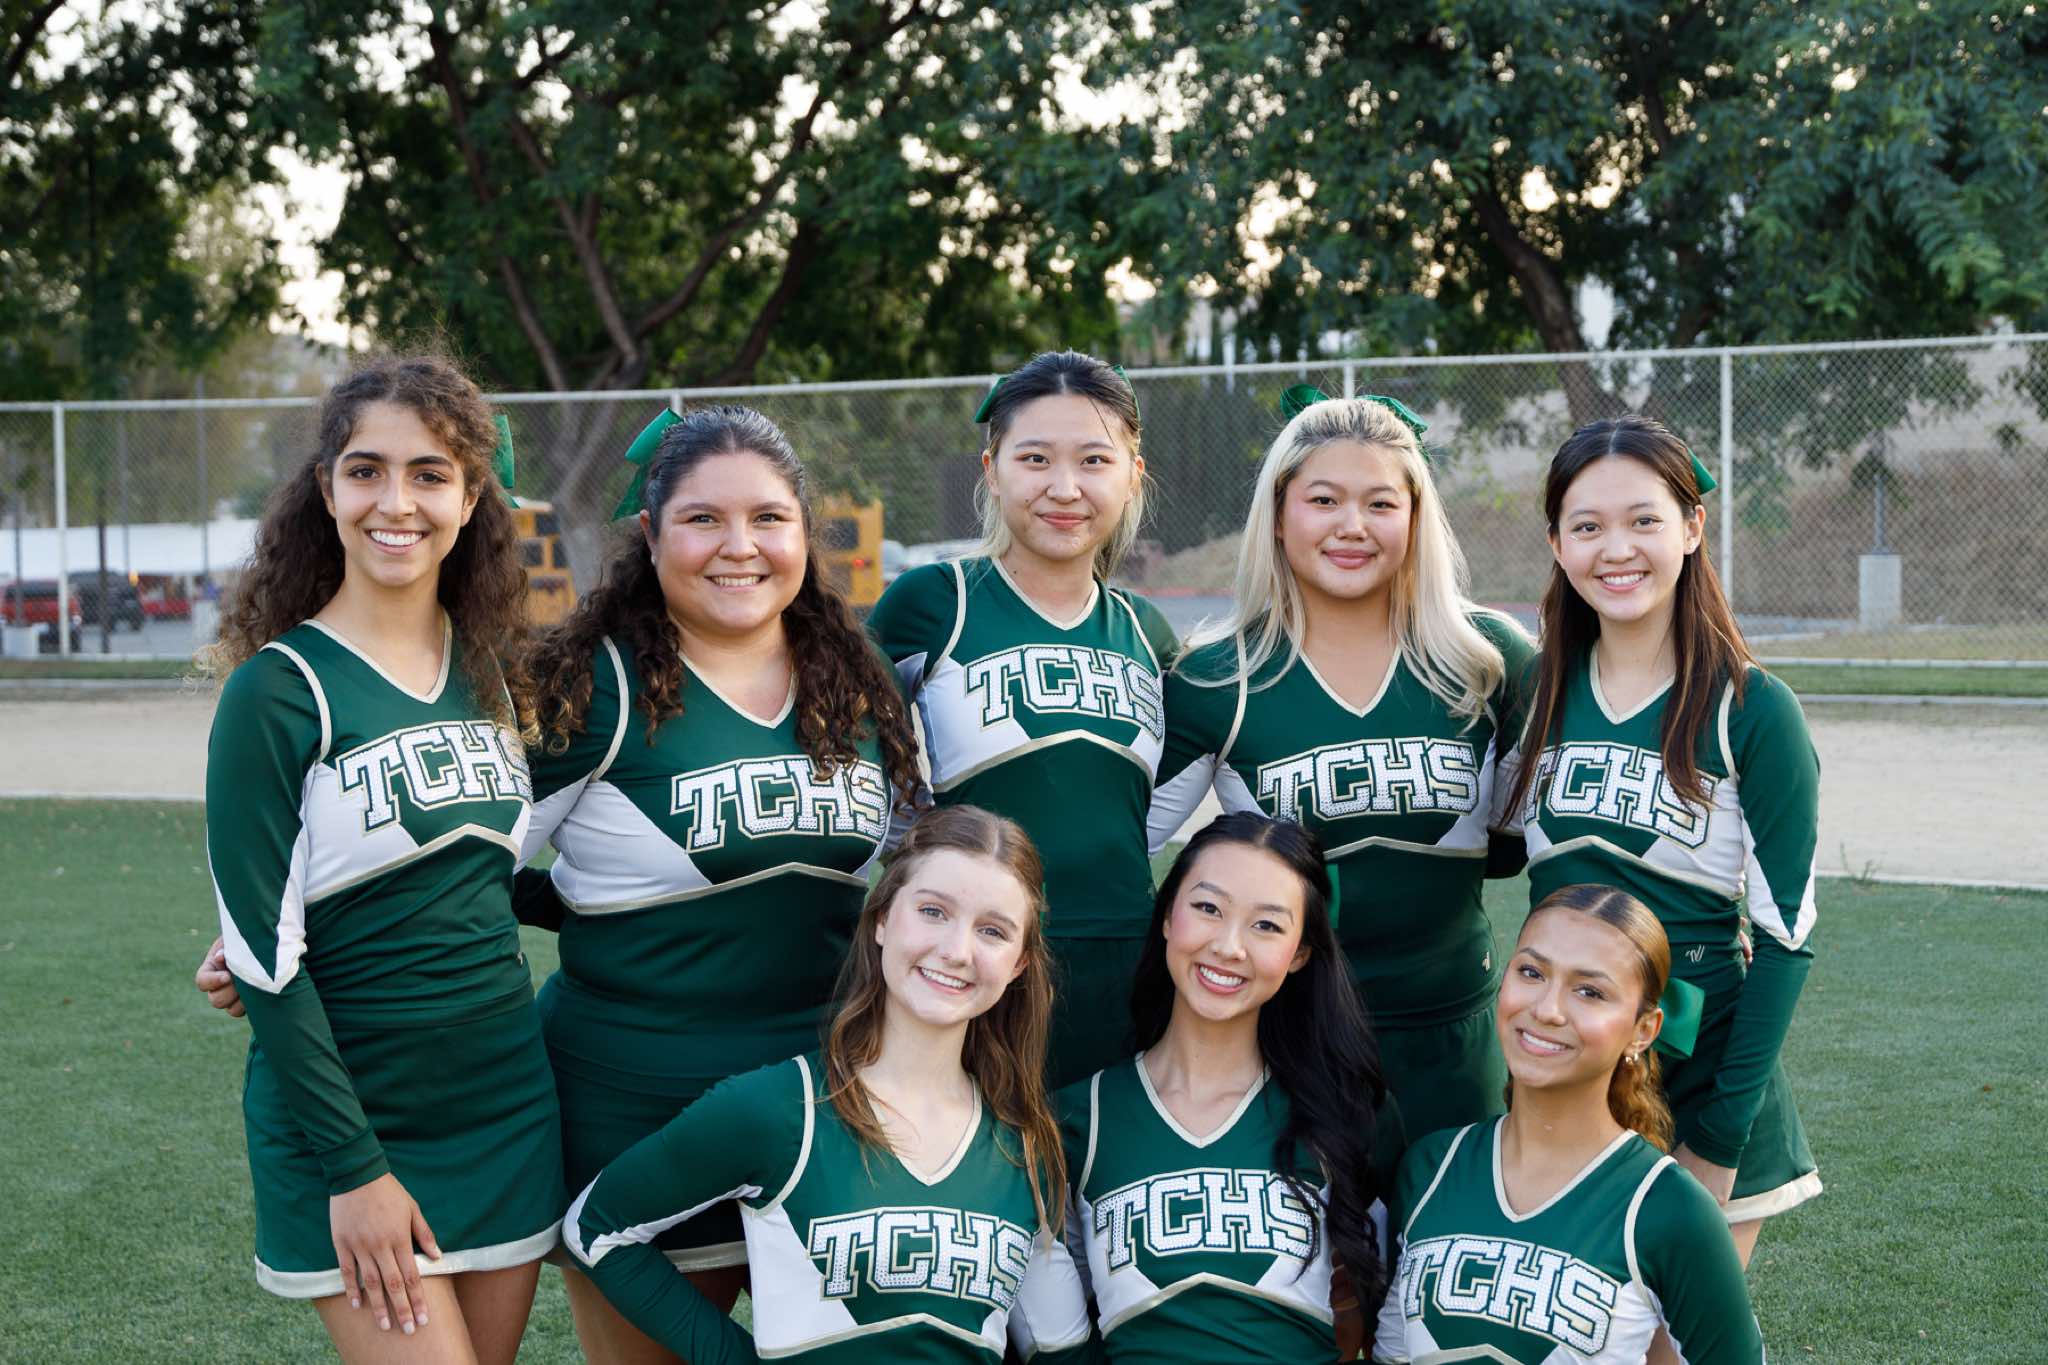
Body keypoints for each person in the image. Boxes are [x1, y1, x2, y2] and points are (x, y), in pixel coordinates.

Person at [202, 403, 921, 1364]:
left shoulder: (863, 685)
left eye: (768, 518)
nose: (738, 545)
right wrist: (278, 938)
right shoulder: (595, 690)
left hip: (823, 1106)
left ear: (804, 530)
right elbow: (465, 854)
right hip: (636, 1110)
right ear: (650, 533)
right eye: (702, 518)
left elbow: (925, 882)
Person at [197, 355, 563, 1363]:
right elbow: (265, 952)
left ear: (470, 497)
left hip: (502, 1106)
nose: (395, 502)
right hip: (349, 1122)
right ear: (327, 489)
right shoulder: (277, 691)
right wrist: (354, 1172)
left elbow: (484, 875)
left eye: (428, 474)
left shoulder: (493, 672)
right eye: (366, 471)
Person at [564, 805, 1093, 1362]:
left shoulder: (1023, 1145)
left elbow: (1059, 1346)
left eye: (992, 931)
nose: (957, 951)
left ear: (1018, 965)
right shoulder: (778, 1109)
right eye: (933, 911)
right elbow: (597, 1229)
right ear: (882, 919)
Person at [1148, 387, 1534, 1138]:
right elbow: (1119, 849)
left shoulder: (1489, 661)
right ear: (1279, 513)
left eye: (1381, 503)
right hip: (1285, 1046)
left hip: (1455, 1048)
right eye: (1323, 500)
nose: (1352, 526)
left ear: (1416, 517)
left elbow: (1522, 847)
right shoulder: (1218, 679)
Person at [1498, 415, 1820, 1296]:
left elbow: (1786, 941)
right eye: (1588, 525)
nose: (1617, 549)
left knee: (1672, 1347)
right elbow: (1488, 846)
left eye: (1644, 519)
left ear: (1691, 526)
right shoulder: (1535, 689)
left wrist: (1718, 1140)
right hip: (1563, 1068)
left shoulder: (1753, 708)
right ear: (1557, 542)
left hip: (1704, 1079)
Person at [869, 350, 1177, 1090]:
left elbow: (1152, 806)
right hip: (973, 967)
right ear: (992, 470)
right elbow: (854, 765)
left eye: (1094, 460)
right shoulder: (932, 601)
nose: (1064, 488)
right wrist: (926, 865)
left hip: (1125, 968)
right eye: (1034, 458)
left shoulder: (1149, 632)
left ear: (1132, 476)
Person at [1029, 811, 1397, 1362]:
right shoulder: (1078, 1119)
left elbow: (1383, 1323)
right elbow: (1057, 1337)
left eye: (1266, 925)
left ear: (1300, 952)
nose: (1229, 946)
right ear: (1167, 916)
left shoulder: (1350, 1112)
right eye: (1208, 908)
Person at [1373, 885, 1764, 1364]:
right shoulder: (1431, 1168)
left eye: (1589, 992)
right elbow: (1390, 1352)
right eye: (1531, 972)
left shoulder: (1671, 1208)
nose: (1546, 1010)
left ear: (1644, 1030)